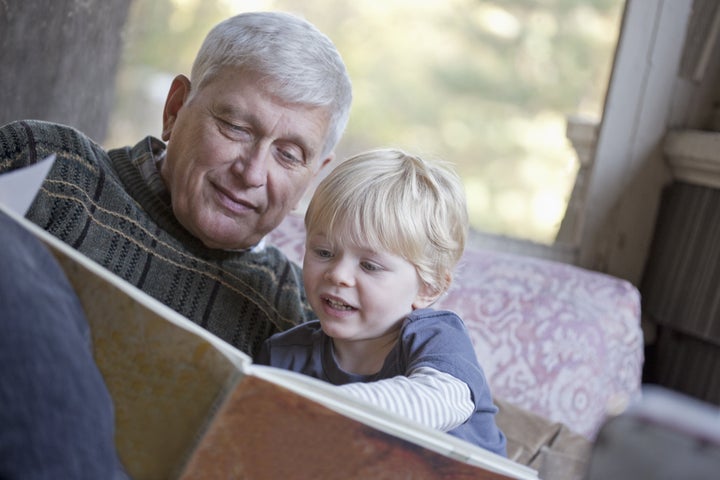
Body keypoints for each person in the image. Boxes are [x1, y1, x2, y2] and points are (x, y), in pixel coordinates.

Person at [0, 11, 352, 357]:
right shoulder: (45, 165)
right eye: (236, 127)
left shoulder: (303, 314)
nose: (252, 174)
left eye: (288, 155)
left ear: (313, 176)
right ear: (175, 108)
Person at [256, 149, 507, 456]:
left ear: (427, 288)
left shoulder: (435, 338)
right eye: (323, 252)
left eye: (370, 266)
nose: (338, 275)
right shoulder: (284, 355)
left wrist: (322, 407)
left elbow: (441, 400)